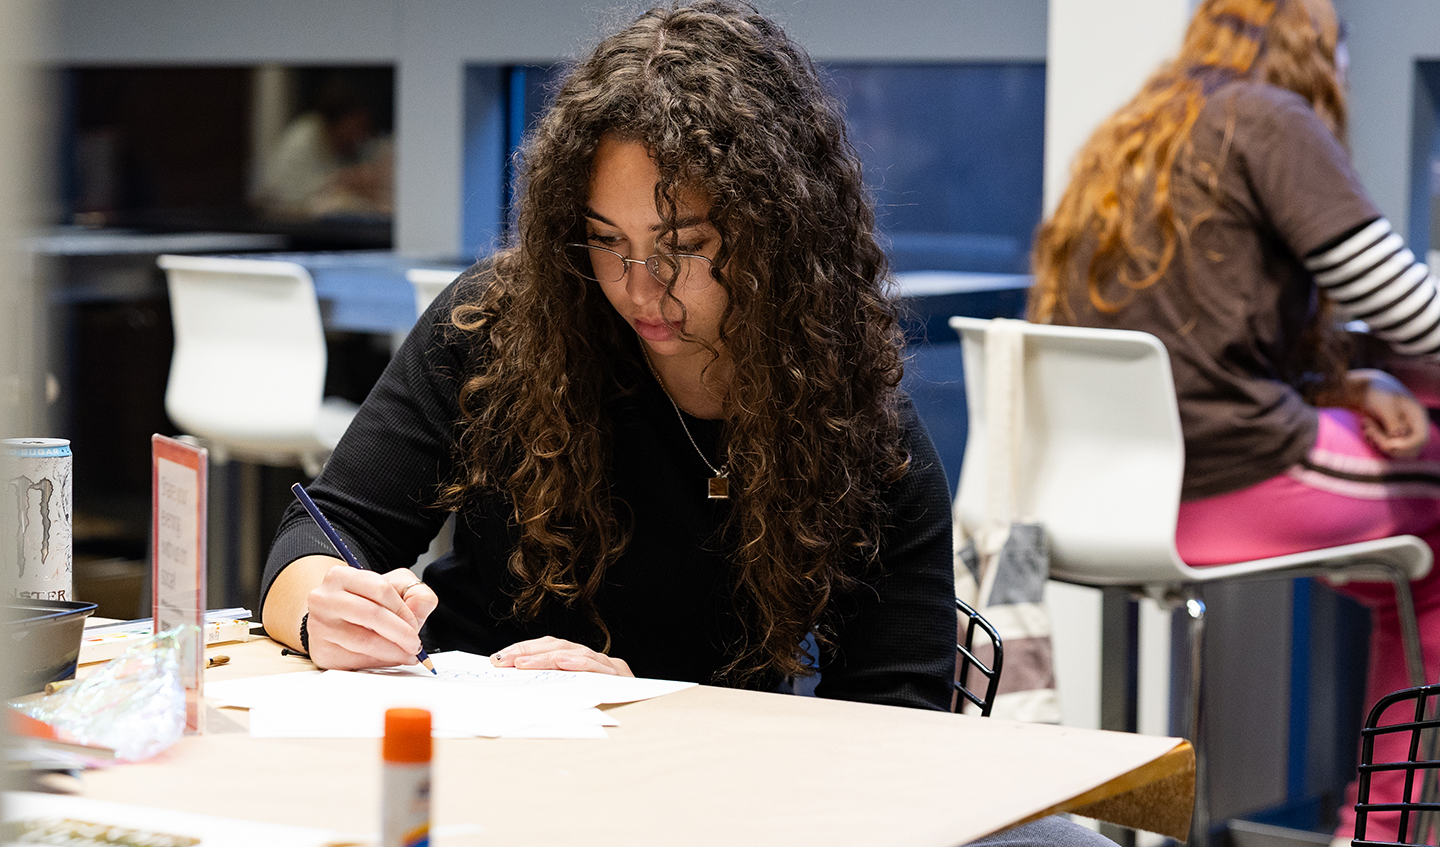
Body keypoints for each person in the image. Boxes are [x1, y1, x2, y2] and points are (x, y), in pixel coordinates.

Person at [260, 3, 1111, 845]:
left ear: (778, 228)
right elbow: (320, 533)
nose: (638, 286)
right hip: (469, 775)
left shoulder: (856, 427)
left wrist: (648, 709)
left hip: (703, 800)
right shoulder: (501, 326)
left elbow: (896, 736)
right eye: (605, 241)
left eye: (685, 244)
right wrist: (320, 608)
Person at [1029, 0, 1440, 840]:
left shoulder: (1143, 128)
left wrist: (1346, 382)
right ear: (1312, 49)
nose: (1343, 80)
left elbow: (1198, 332)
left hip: (1116, 491)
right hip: (1233, 479)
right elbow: (1424, 320)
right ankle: (1394, 830)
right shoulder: (1271, 119)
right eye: (1338, 55)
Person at [255, 75, 393, 220]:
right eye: (358, 126)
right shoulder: (302, 140)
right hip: (283, 224)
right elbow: (288, 200)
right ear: (343, 122)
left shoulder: (337, 143)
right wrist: (344, 180)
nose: (362, 135)